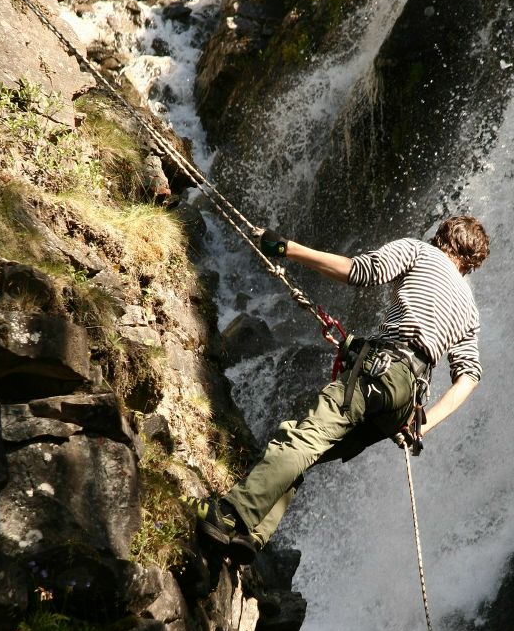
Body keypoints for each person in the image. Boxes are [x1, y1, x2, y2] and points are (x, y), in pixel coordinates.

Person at [197, 214, 489, 562]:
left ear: (442, 236)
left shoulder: (418, 252)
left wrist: (286, 248)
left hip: (379, 369)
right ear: (471, 262)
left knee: (302, 441)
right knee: (311, 449)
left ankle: (229, 514)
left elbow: (358, 271)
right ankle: (252, 534)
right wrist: (423, 424)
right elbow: (468, 376)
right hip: (403, 401)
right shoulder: (469, 310)